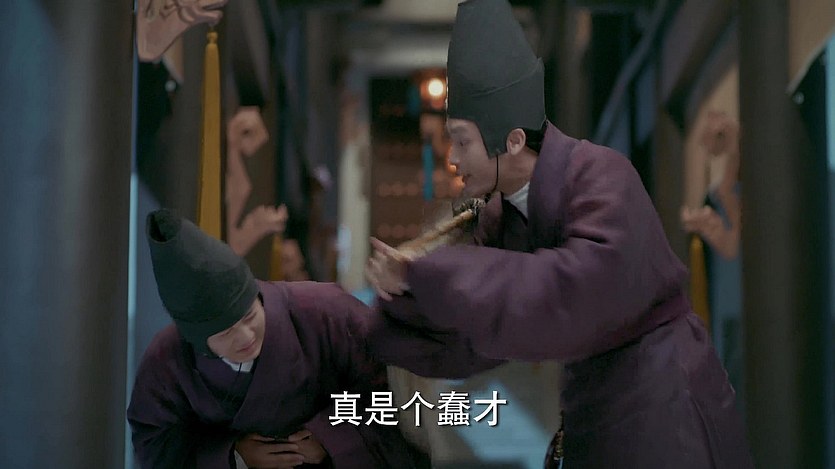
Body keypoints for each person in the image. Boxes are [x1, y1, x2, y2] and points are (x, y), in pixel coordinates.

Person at [364, 0, 753, 467]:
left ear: (512, 140)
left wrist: (428, 274)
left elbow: (571, 289)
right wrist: (392, 309)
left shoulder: (602, 176)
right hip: (598, 402)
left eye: (462, 140)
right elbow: (475, 334)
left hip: (662, 399)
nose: (452, 157)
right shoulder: (502, 218)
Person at [127, 209, 423, 468]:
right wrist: (234, 457)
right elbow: (155, 444)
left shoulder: (327, 312)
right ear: (197, 340)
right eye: (226, 333)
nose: (245, 336)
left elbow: (397, 390)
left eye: (249, 317)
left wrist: (330, 439)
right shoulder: (166, 361)